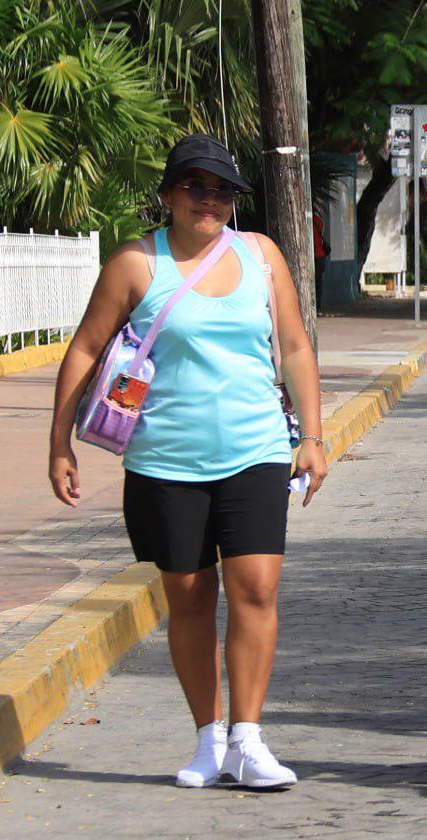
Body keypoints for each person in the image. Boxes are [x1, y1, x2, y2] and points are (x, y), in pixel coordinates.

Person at [48, 133, 329, 790]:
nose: (209, 200)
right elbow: (85, 348)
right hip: (164, 461)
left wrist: (313, 436)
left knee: (256, 587)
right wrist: (59, 442)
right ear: (169, 194)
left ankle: (248, 740)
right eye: (196, 187)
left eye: (223, 190)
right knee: (191, 596)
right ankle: (208, 739)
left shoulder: (261, 255)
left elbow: (294, 346)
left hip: (256, 450)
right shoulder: (136, 263)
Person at [312, 209, 329, 309]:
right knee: (318, 282)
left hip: (312, 256)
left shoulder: (304, 222)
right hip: (320, 256)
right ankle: (318, 306)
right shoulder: (319, 221)